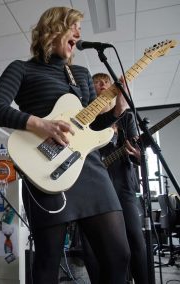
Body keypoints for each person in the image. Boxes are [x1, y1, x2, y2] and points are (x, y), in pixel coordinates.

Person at [0, 7, 131, 283]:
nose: (78, 33)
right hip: (45, 166)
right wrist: (41, 124)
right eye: (73, 27)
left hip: (89, 171)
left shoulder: (80, 73)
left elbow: (91, 129)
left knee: (118, 255)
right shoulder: (22, 69)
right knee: (47, 261)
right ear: (53, 30)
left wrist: (116, 113)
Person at [81, 73, 147, 283]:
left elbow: (137, 151)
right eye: (97, 83)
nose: (101, 85)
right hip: (93, 188)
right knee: (93, 248)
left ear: (112, 88)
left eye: (105, 82)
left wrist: (138, 155)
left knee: (136, 239)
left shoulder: (126, 117)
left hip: (123, 185)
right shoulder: (85, 118)